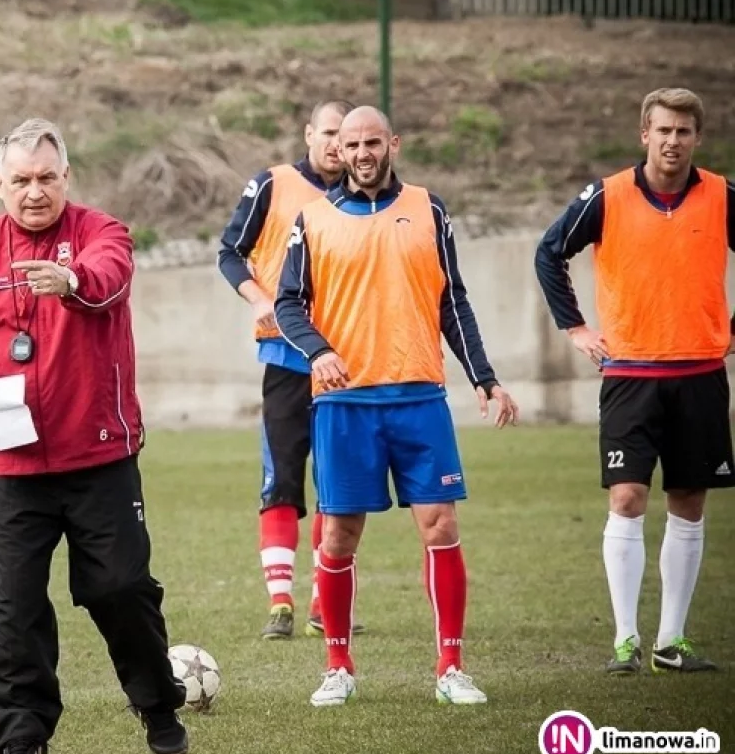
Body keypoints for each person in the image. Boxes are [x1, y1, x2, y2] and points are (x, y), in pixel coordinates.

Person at [0, 117, 188, 754]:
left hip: (99, 457)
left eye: (45, 178)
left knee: (119, 588)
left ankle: (158, 703)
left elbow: (110, 277)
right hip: (13, 466)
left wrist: (71, 283)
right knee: (13, 607)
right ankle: (21, 738)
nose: (33, 192)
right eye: (20, 181)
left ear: (66, 177)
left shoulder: (102, 234)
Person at [274, 106, 519, 708]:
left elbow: (452, 301)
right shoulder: (312, 218)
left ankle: (451, 666)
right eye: (351, 142)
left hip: (418, 397)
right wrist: (319, 351)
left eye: (372, 142)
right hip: (345, 403)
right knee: (338, 537)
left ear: (393, 145)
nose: (361, 152)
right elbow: (286, 304)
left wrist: (483, 377)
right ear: (339, 149)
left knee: (441, 527)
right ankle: (338, 665)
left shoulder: (429, 210)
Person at [533, 87, 732, 675]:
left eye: (684, 132)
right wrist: (575, 329)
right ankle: (625, 638)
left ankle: (672, 641)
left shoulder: (721, 195)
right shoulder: (607, 195)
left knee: (689, 502)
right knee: (627, 496)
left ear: (697, 138)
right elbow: (549, 254)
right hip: (630, 375)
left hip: (701, 374)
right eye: (663, 130)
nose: (673, 141)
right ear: (644, 133)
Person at [216, 99, 365, 641]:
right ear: (309, 134)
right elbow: (229, 252)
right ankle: (280, 602)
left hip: (347, 362)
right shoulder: (273, 185)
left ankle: (326, 600)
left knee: (339, 485)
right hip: (285, 357)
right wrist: (258, 298)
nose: (336, 145)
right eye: (327, 133)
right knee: (281, 479)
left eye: (344, 137)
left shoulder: (365, 200)